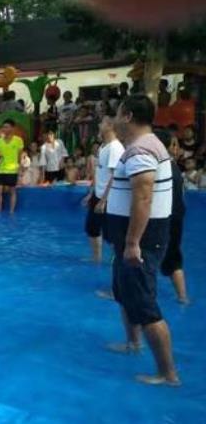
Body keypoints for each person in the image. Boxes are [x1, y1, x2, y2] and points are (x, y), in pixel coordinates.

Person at [106, 94, 179, 386]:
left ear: (128, 116)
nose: (114, 119)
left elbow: (144, 195)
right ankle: (133, 343)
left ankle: (168, 373)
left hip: (141, 241)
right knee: (125, 292)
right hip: (131, 239)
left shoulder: (141, 149)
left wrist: (133, 242)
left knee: (145, 305)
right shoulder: (144, 146)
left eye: (117, 113)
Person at [83, 116, 125, 264]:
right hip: (98, 194)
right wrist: (91, 194)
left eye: (102, 123)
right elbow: (100, 173)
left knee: (110, 233)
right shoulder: (103, 146)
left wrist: (103, 200)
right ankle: (97, 258)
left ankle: (117, 259)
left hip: (109, 197)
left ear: (110, 126)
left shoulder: (115, 148)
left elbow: (114, 176)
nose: (99, 125)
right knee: (92, 227)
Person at [155, 129, 189, 305]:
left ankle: (123, 293)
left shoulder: (159, 166)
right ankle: (183, 297)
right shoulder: (174, 166)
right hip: (177, 217)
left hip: (163, 218)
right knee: (173, 257)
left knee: (142, 257)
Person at [0, 119, 24, 214]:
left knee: (12, 191)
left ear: (12, 128)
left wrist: (19, 168)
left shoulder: (18, 140)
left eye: (6, 127)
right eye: (3, 127)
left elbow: (20, 156)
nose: (4, 129)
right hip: (0, 169)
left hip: (12, 170)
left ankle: (11, 212)